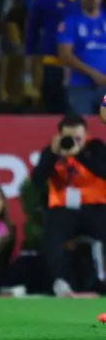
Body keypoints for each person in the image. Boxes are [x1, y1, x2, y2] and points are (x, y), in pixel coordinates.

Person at [31, 113, 106, 296]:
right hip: (63, 209)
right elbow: (37, 180)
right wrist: (53, 154)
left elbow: (103, 171)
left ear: (86, 134)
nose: (74, 141)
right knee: (52, 235)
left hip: (95, 207)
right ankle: (61, 281)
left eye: (78, 138)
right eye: (69, 137)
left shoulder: (95, 148)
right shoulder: (53, 151)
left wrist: (79, 154)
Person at [25, 0, 78, 113]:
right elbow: (32, 33)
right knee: (54, 111)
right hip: (54, 63)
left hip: (86, 67)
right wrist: (27, 74)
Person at [58, 0, 106, 115]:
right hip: (80, 86)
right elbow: (65, 55)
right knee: (80, 126)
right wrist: (94, 74)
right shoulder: (71, 21)